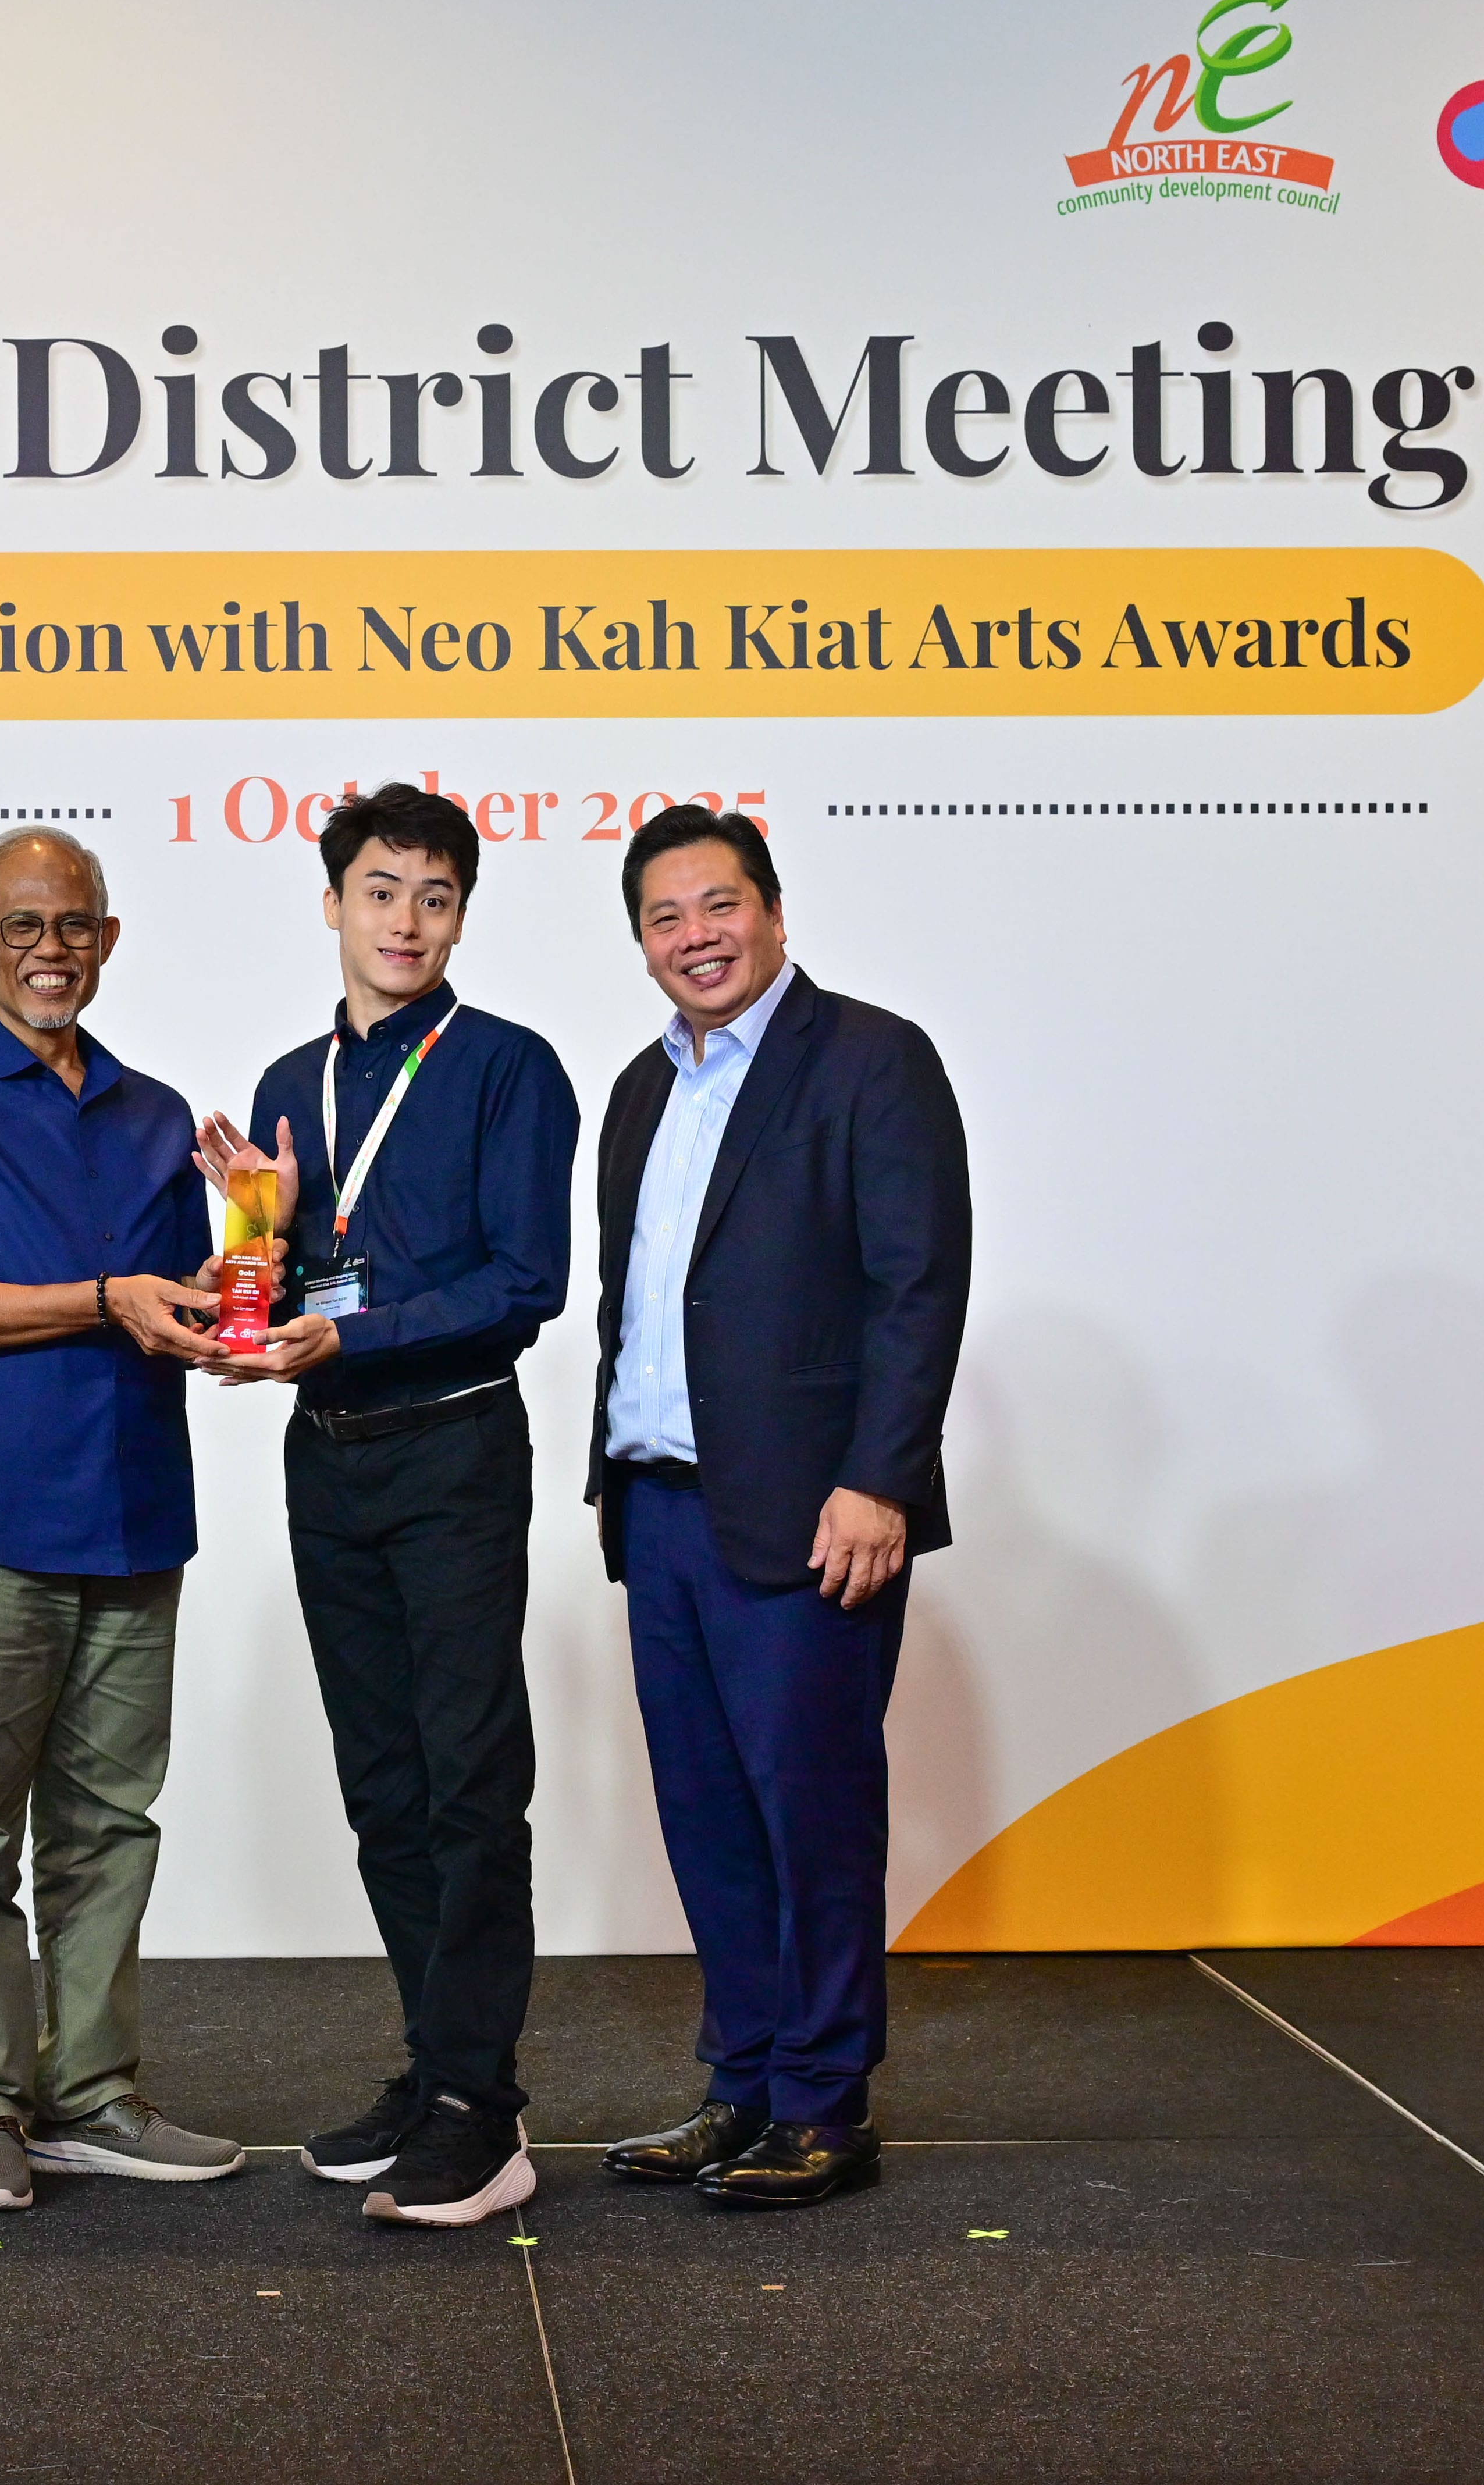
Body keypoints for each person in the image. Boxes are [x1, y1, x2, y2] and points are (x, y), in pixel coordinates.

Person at [193, 784, 579, 2230]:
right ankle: (434, 2068)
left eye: (434, 894)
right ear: (333, 902)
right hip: (329, 1451)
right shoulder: (291, 1081)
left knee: (470, 1778)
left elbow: (524, 1283)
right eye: (380, 889)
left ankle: (485, 2107)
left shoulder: (507, 1066)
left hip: (454, 1445)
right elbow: (290, 1283)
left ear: (461, 913)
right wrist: (261, 1239)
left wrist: (347, 1327)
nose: (405, 918)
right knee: (383, 1782)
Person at [0, 827, 251, 2213]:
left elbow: (179, 1306)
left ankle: (91, 2094)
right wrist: (103, 1296)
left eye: (73, 924)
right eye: (20, 924)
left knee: (107, 1827)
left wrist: (253, 1246)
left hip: (136, 1513)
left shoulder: (157, 1115)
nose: (49, 949)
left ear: (108, 938)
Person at [585, 803, 970, 2209]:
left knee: (813, 1814)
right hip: (661, 1505)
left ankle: (821, 2100)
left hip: (813, 1512)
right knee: (708, 1818)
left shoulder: (870, 1057)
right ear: (641, 944)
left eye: (718, 904)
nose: (695, 935)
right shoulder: (641, 1087)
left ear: (774, 910)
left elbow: (918, 1284)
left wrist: (879, 1478)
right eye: (665, 917)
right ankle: (740, 2080)